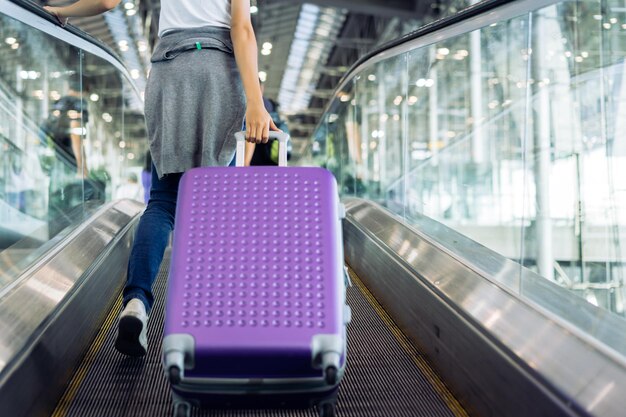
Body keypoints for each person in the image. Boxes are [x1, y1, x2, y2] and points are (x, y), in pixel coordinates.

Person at [45, 0, 278, 356]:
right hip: (217, 68)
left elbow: (108, 2)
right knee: (219, 204)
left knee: (163, 201)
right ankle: (211, 317)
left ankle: (136, 302)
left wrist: (64, 10)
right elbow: (241, 28)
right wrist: (256, 101)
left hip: (169, 71)